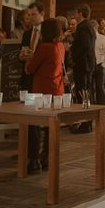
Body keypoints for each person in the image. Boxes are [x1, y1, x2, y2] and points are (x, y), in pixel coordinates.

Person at [24, 18, 65, 173]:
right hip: (57, 89)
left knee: (33, 124)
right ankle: (47, 157)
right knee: (51, 126)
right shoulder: (60, 46)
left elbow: (31, 68)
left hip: (41, 89)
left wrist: (28, 59)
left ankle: (34, 160)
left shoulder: (44, 47)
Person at [70, 4, 96, 134]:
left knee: (83, 94)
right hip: (86, 64)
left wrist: (74, 55)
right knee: (85, 93)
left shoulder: (83, 27)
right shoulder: (88, 26)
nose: (75, 15)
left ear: (81, 13)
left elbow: (86, 46)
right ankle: (87, 122)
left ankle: (86, 123)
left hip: (83, 65)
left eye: (76, 13)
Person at [18, 2, 44, 91]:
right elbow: (22, 51)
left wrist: (35, 55)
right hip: (27, 76)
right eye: (29, 15)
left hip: (42, 75)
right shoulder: (27, 34)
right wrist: (21, 55)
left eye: (33, 14)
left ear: (42, 14)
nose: (30, 18)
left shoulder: (47, 31)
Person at [91, 20, 105, 105]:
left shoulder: (103, 38)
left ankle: (102, 105)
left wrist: (103, 65)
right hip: (90, 65)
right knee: (90, 87)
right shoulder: (88, 39)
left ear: (96, 27)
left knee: (99, 87)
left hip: (99, 65)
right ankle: (92, 105)